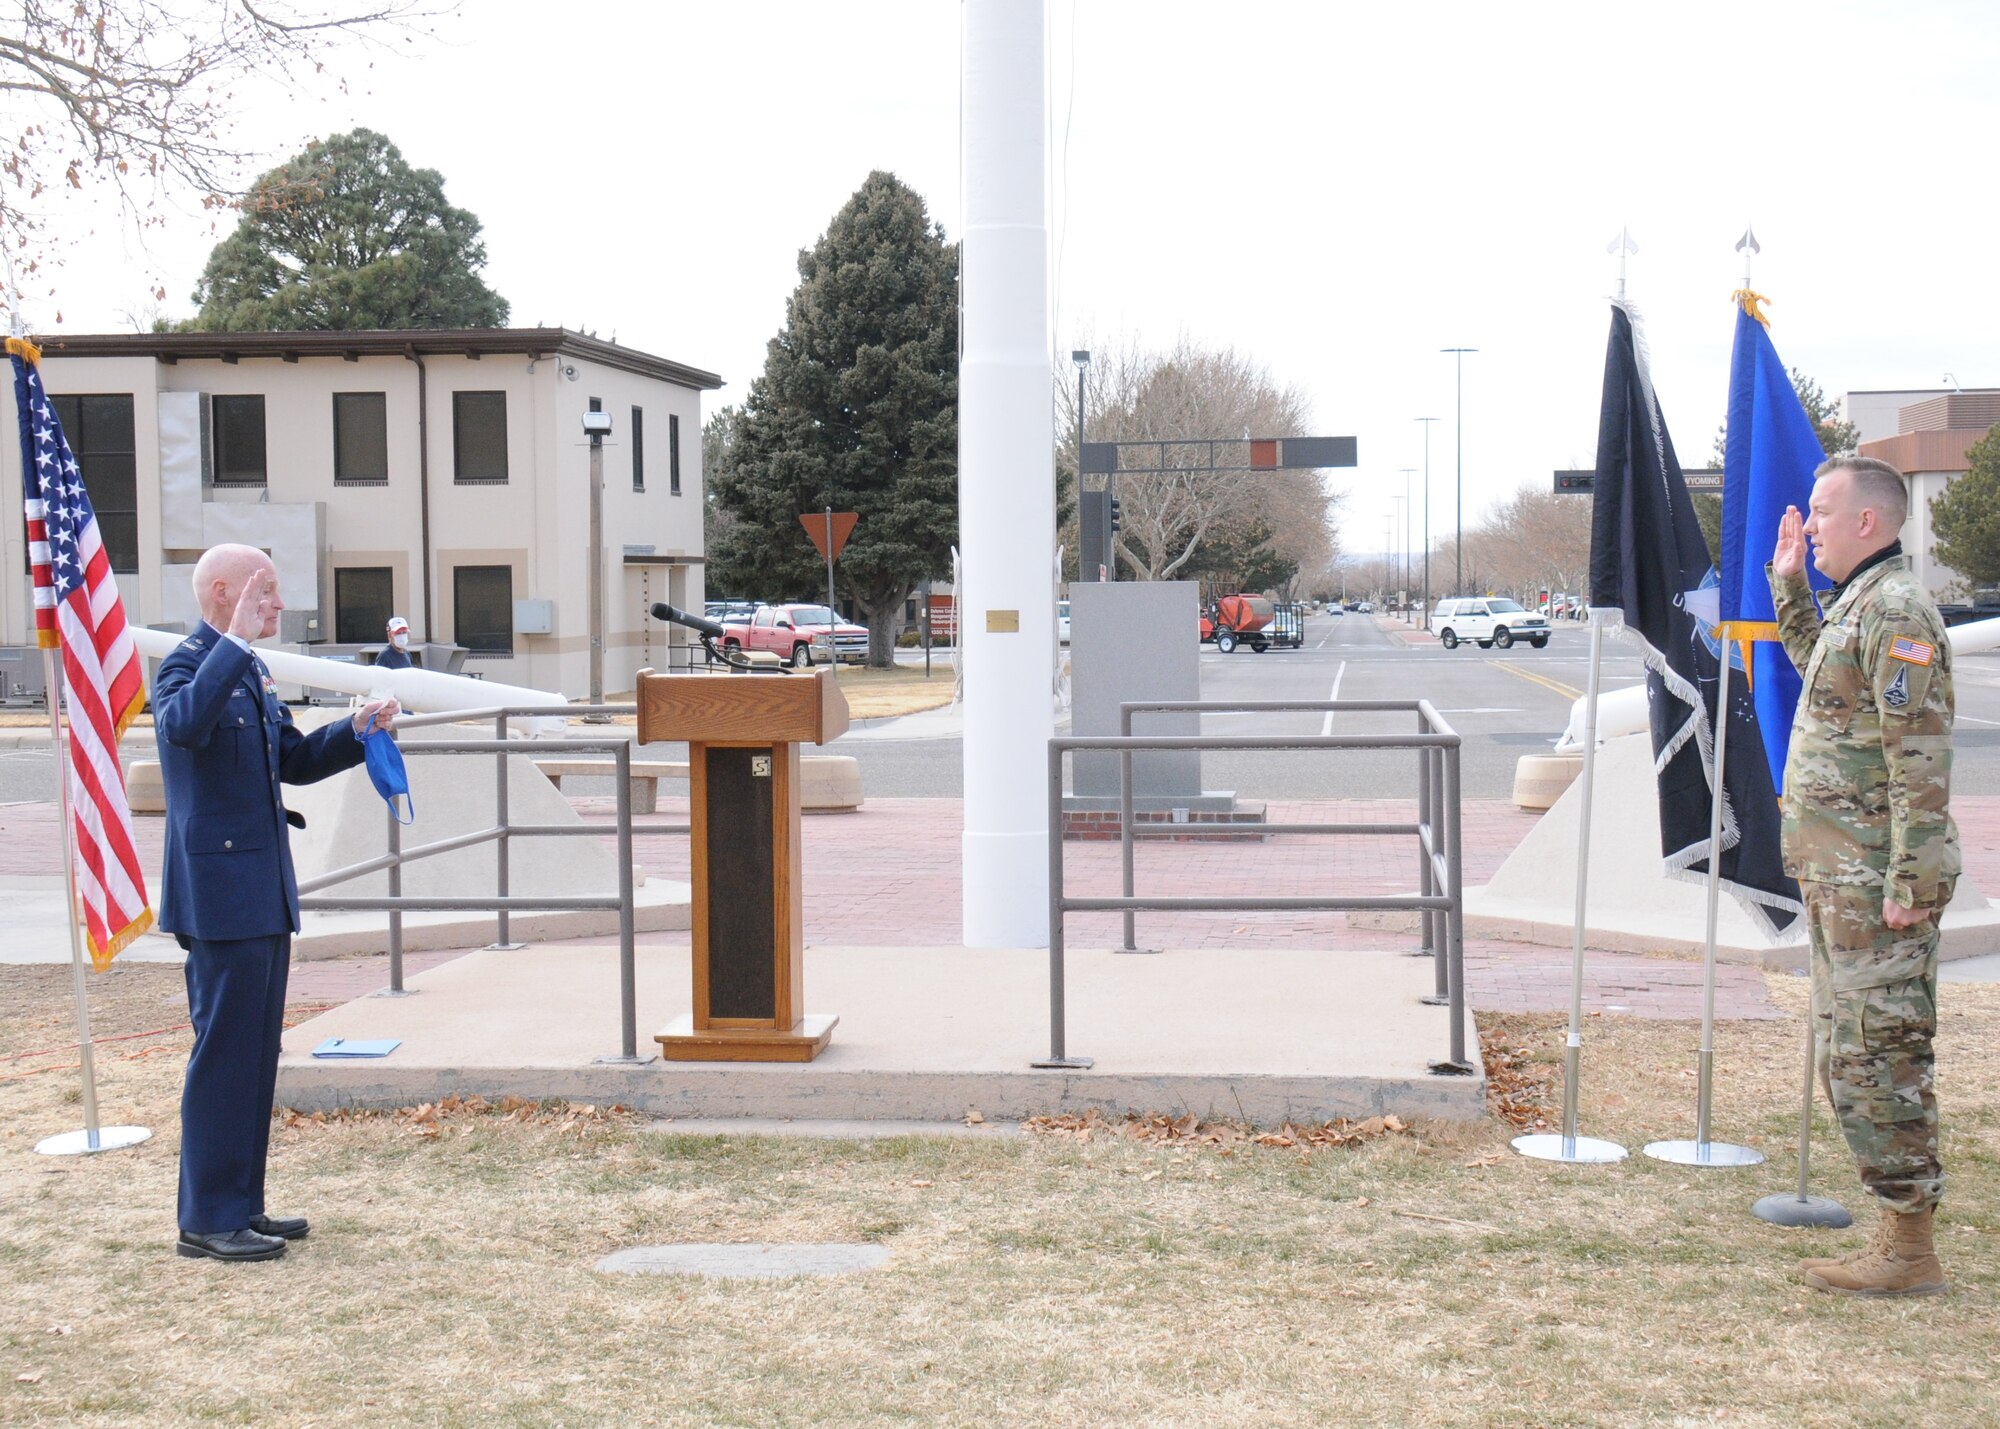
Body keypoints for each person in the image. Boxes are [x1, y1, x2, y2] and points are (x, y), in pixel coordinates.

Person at [155, 544, 399, 1263]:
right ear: (224, 593)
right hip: (218, 897)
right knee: (223, 1052)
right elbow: (185, 725)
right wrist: (232, 637)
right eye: (264, 591)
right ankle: (205, 1217)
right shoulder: (185, 664)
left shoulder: (252, 672)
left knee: (257, 1053)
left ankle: (241, 1204)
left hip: (263, 890)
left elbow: (288, 759)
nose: (277, 604)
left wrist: (355, 732)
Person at [1769, 455, 1958, 1298]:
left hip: (1879, 884)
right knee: (1847, 1054)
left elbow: (1917, 753)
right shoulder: (1860, 603)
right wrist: (1790, 589)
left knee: (1880, 1053)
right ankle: (1898, 1232)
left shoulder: (1900, 609)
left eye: (1820, 511)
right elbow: (1827, 683)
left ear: (1868, 523)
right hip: (1839, 878)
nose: (1809, 525)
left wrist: (1910, 881)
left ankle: (1910, 1249)